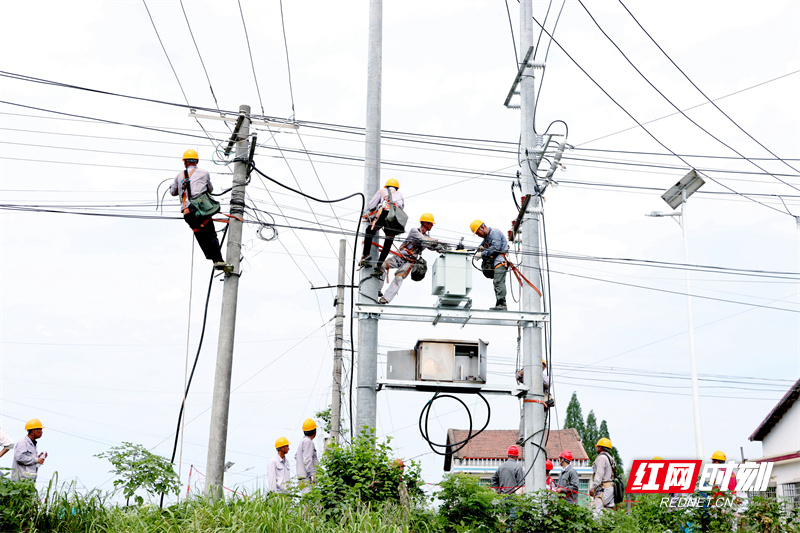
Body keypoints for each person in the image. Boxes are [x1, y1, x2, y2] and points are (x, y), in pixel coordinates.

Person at [169, 149, 230, 271]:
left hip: (187, 213)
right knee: (210, 233)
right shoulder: (204, 173)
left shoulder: (179, 176)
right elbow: (210, 189)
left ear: (185, 162)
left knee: (200, 235)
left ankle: (211, 257)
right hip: (200, 210)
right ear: (196, 161)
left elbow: (173, 192)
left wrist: (174, 186)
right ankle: (217, 260)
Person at [376, 213, 444, 304]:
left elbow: (432, 246)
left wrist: (441, 248)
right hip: (399, 256)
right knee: (381, 266)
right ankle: (377, 289)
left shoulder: (427, 239)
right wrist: (437, 242)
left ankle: (385, 299)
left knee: (399, 279)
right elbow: (424, 239)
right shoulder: (414, 231)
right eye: (431, 223)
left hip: (408, 262)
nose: (432, 225)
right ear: (425, 223)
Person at [360, 178, 405, 274]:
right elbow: (401, 207)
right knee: (388, 241)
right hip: (395, 216)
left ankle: (366, 255)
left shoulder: (382, 191)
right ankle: (379, 265)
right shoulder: (400, 194)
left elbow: (371, 205)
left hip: (384, 213)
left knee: (370, 231)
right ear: (397, 188)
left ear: (386, 186)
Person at [470, 220, 509, 310]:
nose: (478, 235)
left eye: (477, 232)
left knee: (498, 282)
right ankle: (499, 304)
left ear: (482, 227)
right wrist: (478, 250)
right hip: (495, 262)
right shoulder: (487, 238)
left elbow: (496, 248)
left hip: (500, 261)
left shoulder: (494, 233)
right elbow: (481, 247)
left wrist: (482, 254)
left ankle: (502, 305)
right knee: (496, 283)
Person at [589, 437, 616, 517]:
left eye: (597, 447)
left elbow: (599, 474)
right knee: (608, 512)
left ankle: (595, 528)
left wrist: (593, 487)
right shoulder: (610, 458)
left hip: (603, 489)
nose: (597, 448)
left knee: (595, 511)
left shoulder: (601, 458)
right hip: (610, 488)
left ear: (600, 447)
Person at [295, 418, 318, 493]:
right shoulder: (308, 442)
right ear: (314, 432)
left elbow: (296, 456)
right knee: (309, 503)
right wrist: (312, 474)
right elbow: (308, 460)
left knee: (306, 502)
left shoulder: (302, 441)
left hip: (302, 478)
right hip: (307, 478)